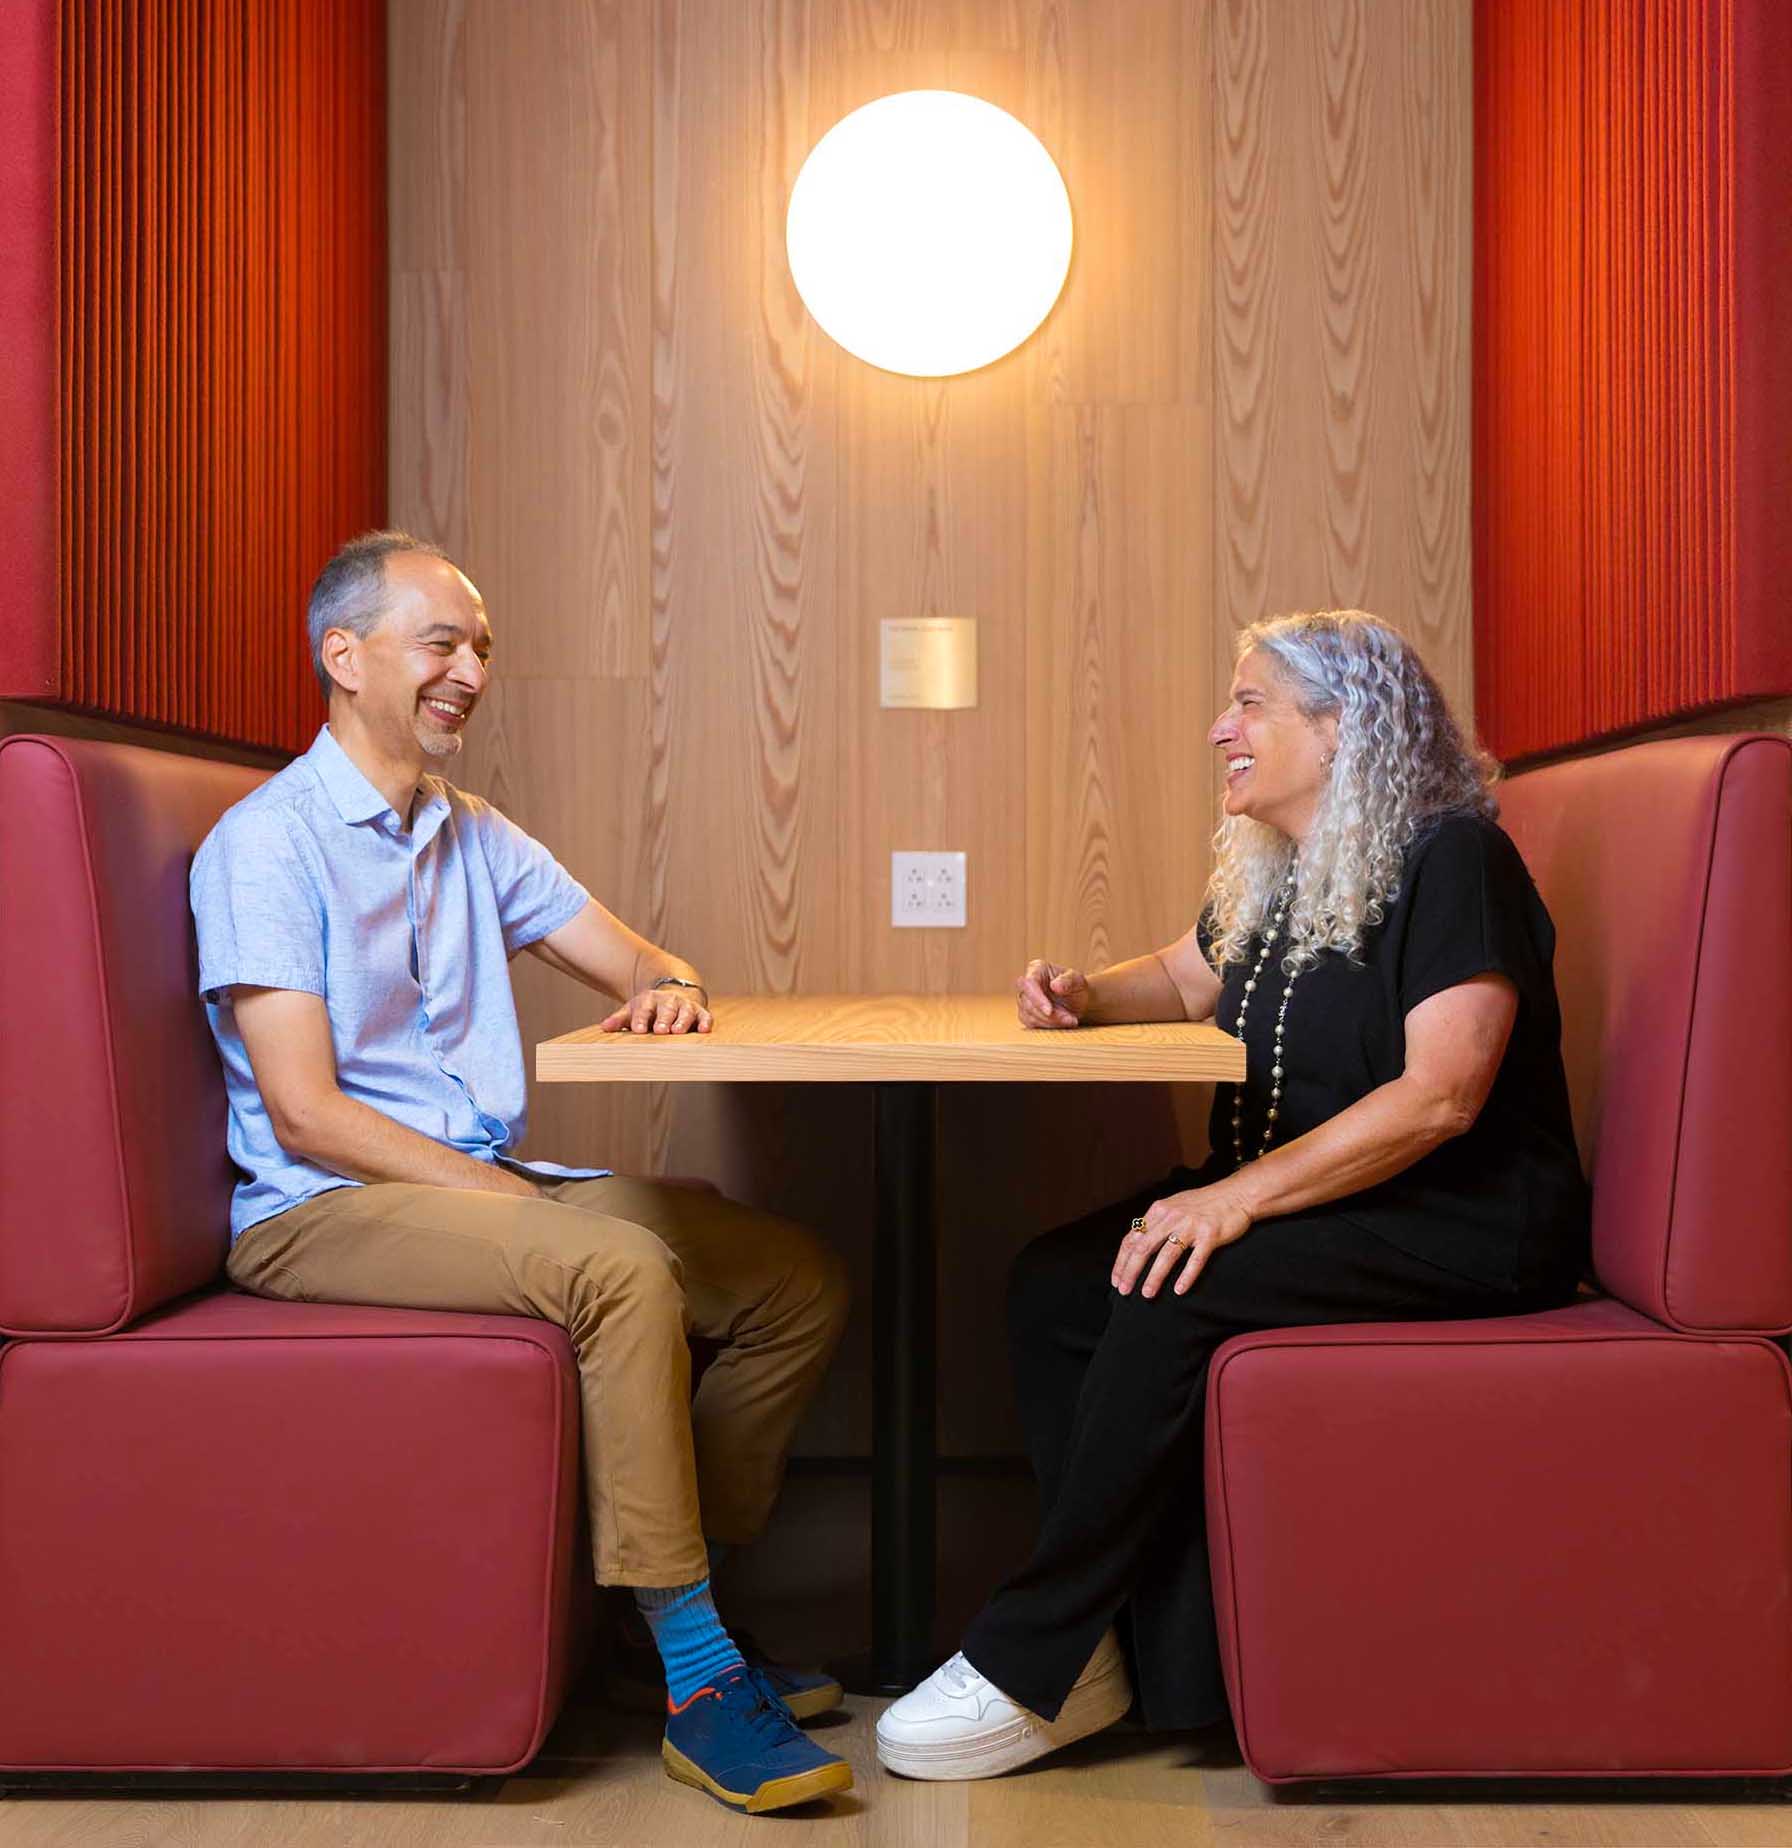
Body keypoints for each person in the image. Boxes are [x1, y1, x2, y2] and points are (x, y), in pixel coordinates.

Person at [191, 530, 854, 1816]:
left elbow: (653, 961)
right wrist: (512, 1201)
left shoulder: (470, 832)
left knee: (789, 1278)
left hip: (477, 1180)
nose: (469, 670)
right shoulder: (263, 844)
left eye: (480, 647)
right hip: (319, 1210)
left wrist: (669, 995)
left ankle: (667, 1616)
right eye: (440, 641)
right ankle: (704, 1678)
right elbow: (309, 1113)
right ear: (345, 655)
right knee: (616, 1265)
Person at [876, 610, 1591, 1781]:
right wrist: (1082, 993)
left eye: (1251, 703)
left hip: (1462, 1219)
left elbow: (1441, 1099)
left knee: (1167, 1281)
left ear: (1343, 724)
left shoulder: (1452, 856)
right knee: (1058, 1285)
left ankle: (1028, 1658)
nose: (1223, 728)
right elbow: (1180, 972)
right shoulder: (1296, 865)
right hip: (1316, 1202)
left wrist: (1235, 1200)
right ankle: (1121, 1655)